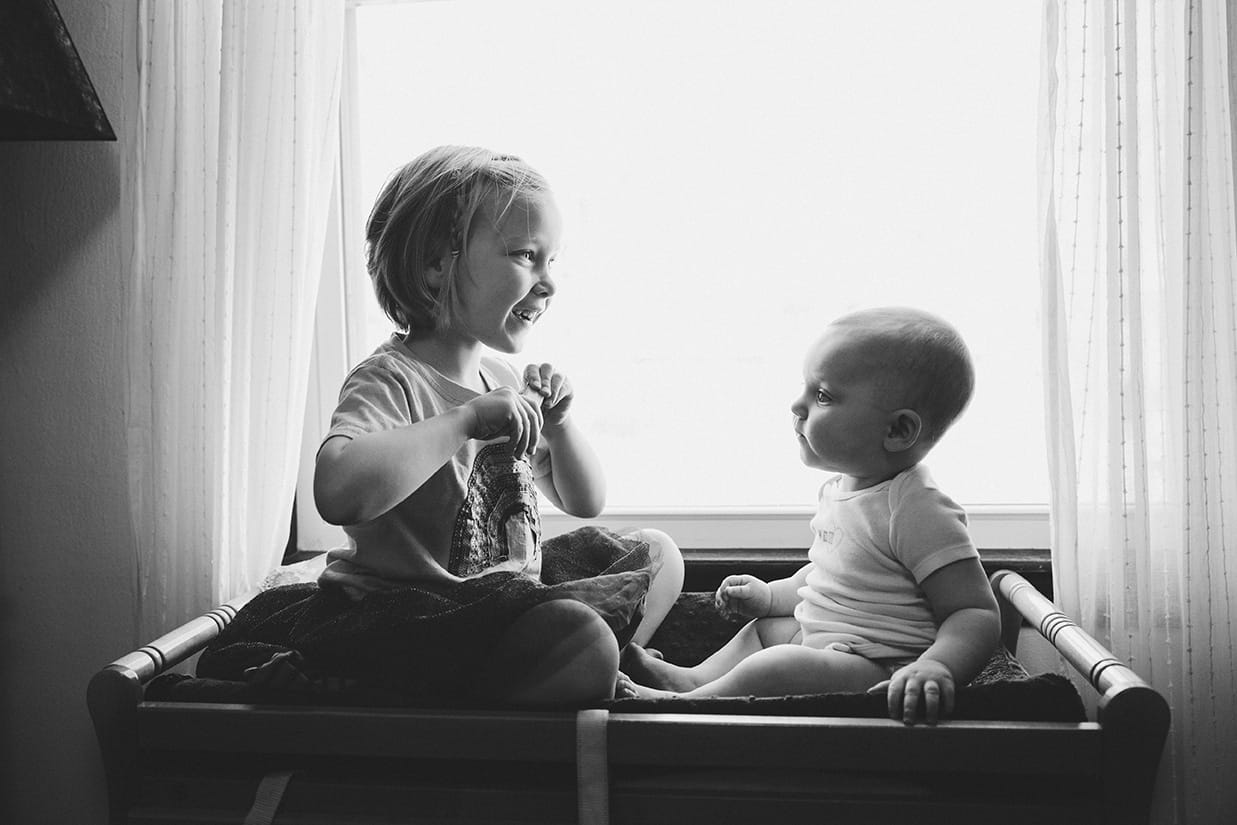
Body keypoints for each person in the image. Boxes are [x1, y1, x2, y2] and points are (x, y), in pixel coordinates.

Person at [237, 146, 682, 708]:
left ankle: (582, 663)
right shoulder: (390, 380)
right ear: (435, 263)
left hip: (503, 603)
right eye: (526, 255)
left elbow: (585, 500)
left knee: (658, 553)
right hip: (412, 618)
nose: (548, 283)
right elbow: (338, 492)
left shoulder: (500, 377)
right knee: (581, 633)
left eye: (552, 261)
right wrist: (465, 420)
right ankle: (557, 672)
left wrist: (562, 428)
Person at [618, 307, 999, 725]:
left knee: (777, 666)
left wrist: (936, 666)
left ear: (897, 431)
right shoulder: (842, 488)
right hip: (826, 641)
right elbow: (825, 574)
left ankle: (693, 705)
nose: (797, 405)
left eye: (823, 395)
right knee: (763, 632)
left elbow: (974, 612)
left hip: (876, 665)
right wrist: (771, 596)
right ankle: (692, 682)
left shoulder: (917, 508)